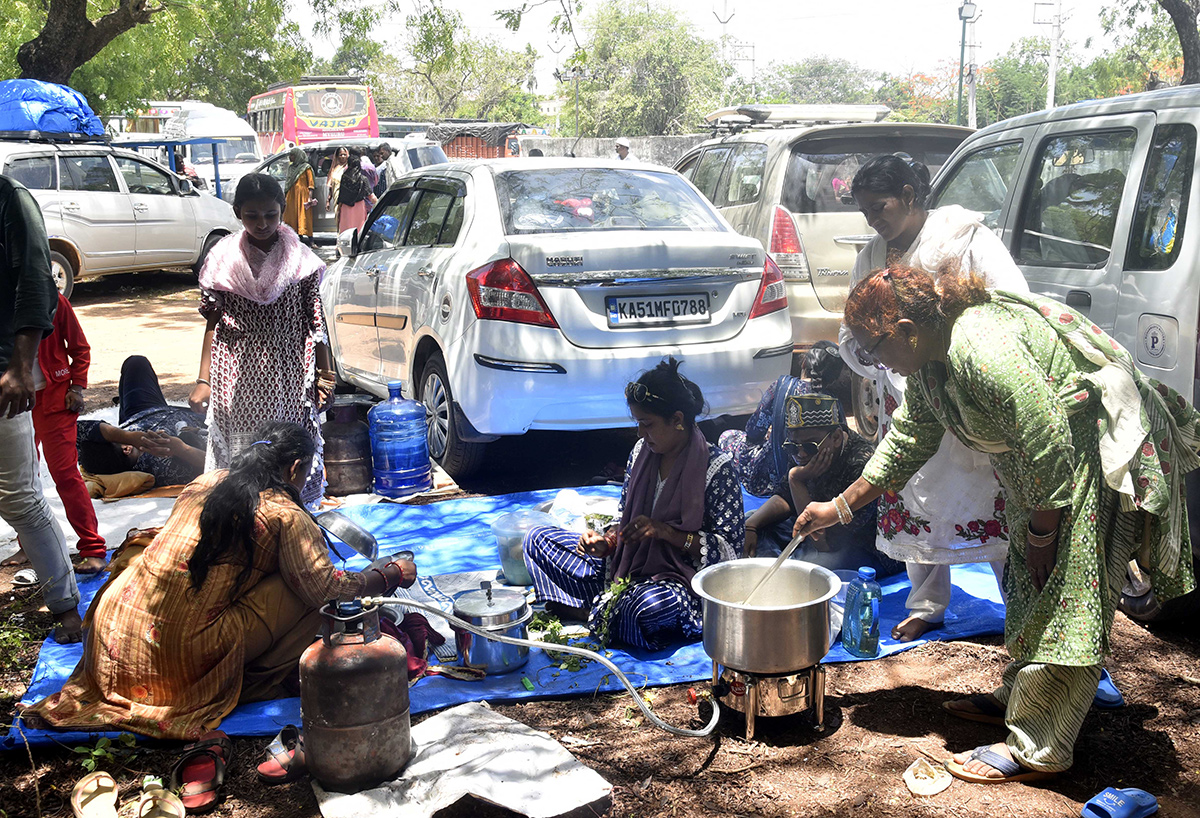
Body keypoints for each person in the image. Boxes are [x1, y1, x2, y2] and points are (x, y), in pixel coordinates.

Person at [795, 267, 1199, 784]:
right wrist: (839, 506)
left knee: (1063, 599)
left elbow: (1048, 437)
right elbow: (910, 438)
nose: (875, 362)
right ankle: (1021, 696)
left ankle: (1039, 746)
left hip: (1079, 463)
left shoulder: (979, 347)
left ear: (904, 328)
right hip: (1040, 473)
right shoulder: (928, 362)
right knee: (1030, 586)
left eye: (875, 348)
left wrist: (1043, 532)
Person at [22, 422, 418, 739]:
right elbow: (325, 589)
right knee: (308, 591)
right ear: (295, 468)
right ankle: (252, 685)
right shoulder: (285, 514)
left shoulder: (202, 483)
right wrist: (386, 575)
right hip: (176, 656)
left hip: (110, 641)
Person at [839, 154, 1030, 642]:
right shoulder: (870, 258)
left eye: (880, 207)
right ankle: (926, 602)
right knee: (914, 493)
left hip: (972, 397)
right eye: (865, 213)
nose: (874, 221)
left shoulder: (964, 240)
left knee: (995, 507)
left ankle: (1029, 615)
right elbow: (851, 333)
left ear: (909, 195)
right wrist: (884, 362)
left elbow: (1014, 304)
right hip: (910, 401)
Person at [523, 358, 744, 650]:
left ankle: (591, 613)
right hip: (626, 568)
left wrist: (667, 533)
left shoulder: (716, 468)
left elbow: (730, 557)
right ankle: (607, 610)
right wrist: (607, 542)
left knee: (645, 607)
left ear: (677, 420)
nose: (640, 433)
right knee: (537, 540)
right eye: (638, 423)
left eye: (647, 424)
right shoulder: (641, 452)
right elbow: (626, 521)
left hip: (680, 582)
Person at [189, 174, 336, 508]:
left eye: (271, 214)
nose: (262, 223)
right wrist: (203, 380)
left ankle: (289, 521)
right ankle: (243, 523)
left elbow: (316, 323)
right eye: (252, 216)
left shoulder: (302, 262)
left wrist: (326, 377)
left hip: (288, 375)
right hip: (237, 375)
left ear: (282, 210)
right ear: (237, 212)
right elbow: (213, 323)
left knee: (285, 452)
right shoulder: (222, 260)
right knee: (244, 460)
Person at [0, 174, 81, 642]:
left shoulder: (11, 201)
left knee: (20, 499)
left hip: (2, 372)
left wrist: (19, 366)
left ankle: (65, 605)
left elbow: (35, 283)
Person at [745, 393, 896, 575]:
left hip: (858, 544)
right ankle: (780, 566)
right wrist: (751, 526)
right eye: (793, 447)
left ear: (837, 438)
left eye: (809, 447)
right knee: (753, 520)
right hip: (810, 523)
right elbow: (785, 495)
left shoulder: (860, 465)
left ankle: (779, 568)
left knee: (815, 567)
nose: (800, 454)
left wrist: (796, 480)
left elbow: (823, 544)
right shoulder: (802, 448)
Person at [31, 292, 106, 574]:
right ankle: (27, 544)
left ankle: (93, 547)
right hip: (14, 402)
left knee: (65, 473)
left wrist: (76, 387)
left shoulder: (52, 299)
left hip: (55, 399)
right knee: (23, 477)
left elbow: (80, 348)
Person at [77, 355, 207, 488]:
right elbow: (215, 465)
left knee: (136, 363)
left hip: (141, 413)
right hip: (195, 420)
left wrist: (129, 436)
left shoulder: (92, 453)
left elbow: (76, 429)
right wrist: (181, 449)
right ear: (127, 449)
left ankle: (123, 403)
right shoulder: (162, 469)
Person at [717, 374, 811, 499]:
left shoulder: (783, 387)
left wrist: (772, 434)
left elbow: (753, 430)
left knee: (727, 436)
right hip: (815, 470)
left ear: (804, 364)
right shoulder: (833, 395)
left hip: (775, 473)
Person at [281, 147, 316, 245]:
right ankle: (296, 239)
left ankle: (311, 240)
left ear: (298, 156)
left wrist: (310, 197)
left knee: (304, 217)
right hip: (291, 196)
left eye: (292, 155)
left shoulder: (306, 167)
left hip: (303, 196)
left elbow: (311, 184)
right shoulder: (290, 168)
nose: (290, 157)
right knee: (291, 217)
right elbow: (288, 183)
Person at [334, 153, 376, 233]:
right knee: (358, 230)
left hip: (345, 208)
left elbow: (341, 195)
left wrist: (339, 209)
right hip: (359, 207)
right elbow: (371, 196)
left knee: (346, 230)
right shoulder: (363, 179)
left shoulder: (344, 177)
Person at [324, 146, 349, 217]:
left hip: (345, 199)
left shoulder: (348, 168)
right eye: (341, 155)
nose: (343, 156)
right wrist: (328, 200)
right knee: (337, 217)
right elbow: (331, 187)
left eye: (344, 154)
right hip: (336, 198)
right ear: (337, 156)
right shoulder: (334, 169)